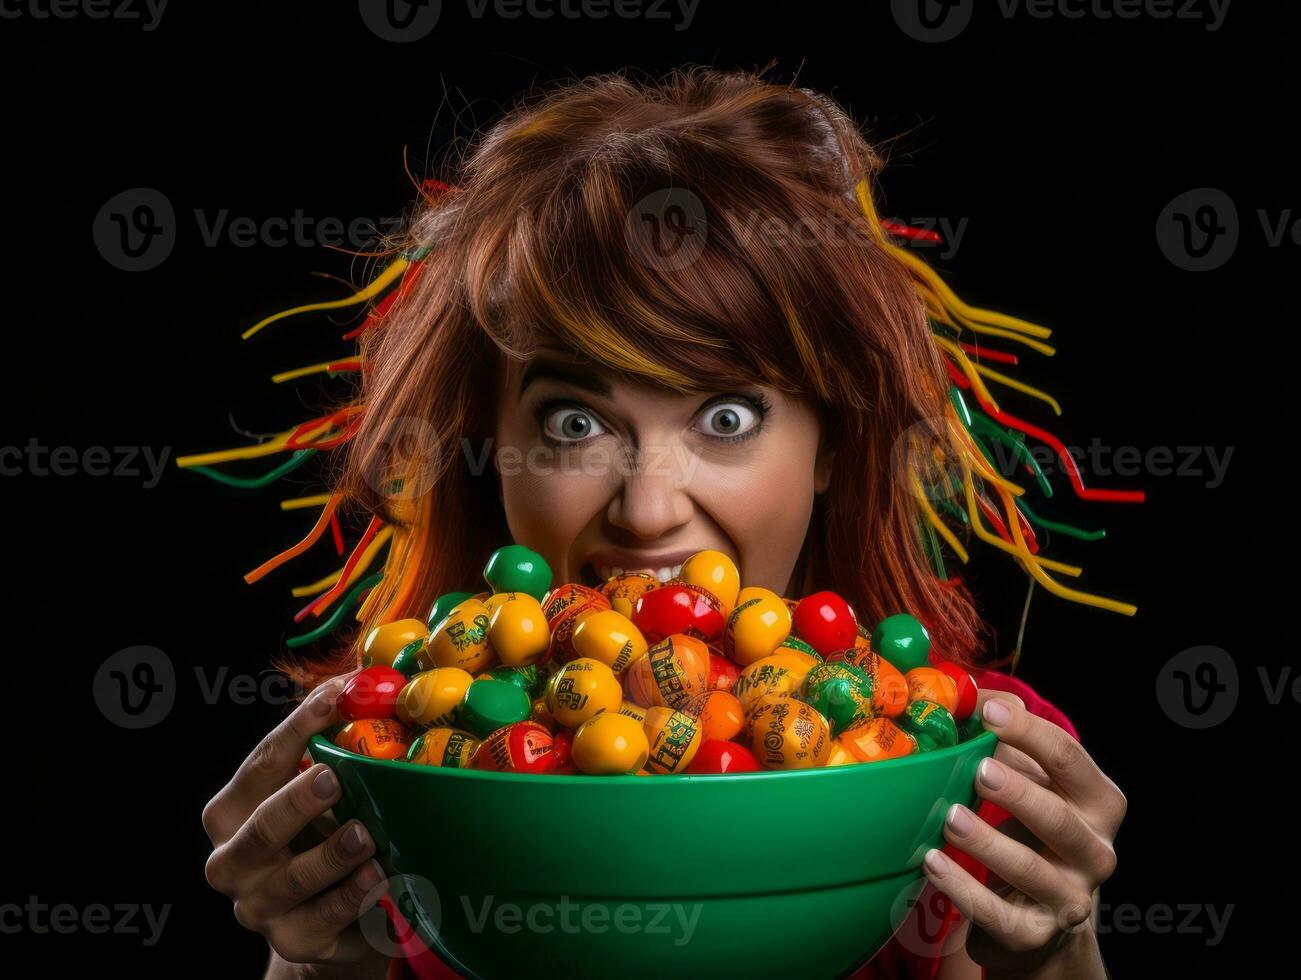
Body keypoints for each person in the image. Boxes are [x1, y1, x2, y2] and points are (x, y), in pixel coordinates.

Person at [198, 67, 1127, 978]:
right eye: (574, 423)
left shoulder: (979, 771)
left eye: (725, 419)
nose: (646, 511)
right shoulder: (383, 781)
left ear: (833, 445)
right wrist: (320, 967)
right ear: (490, 441)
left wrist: (1056, 958)